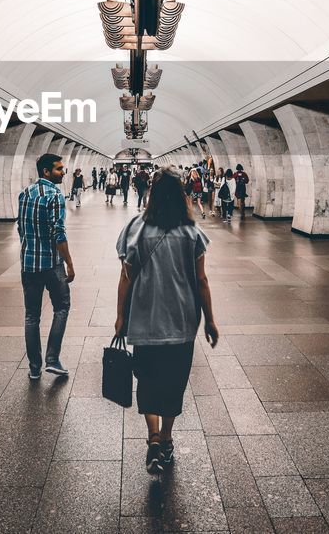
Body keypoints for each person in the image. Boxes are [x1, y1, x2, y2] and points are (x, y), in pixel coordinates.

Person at [114, 170, 220, 474]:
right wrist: (210, 320)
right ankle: (169, 439)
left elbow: (126, 276)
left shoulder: (136, 228)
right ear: (181, 195)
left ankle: (154, 439)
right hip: (182, 322)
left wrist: (121, 315)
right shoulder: (191, 233)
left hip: (146, 321)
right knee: (175, 383)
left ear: (152, 194)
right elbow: (201, 280)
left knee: (147, 381)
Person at [17, 154, 76, 380]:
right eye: (59, 169)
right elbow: (58, 232)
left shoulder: (24, 193)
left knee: (32, 315)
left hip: (28, 264)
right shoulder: (54, 195)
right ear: (46, 172)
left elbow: (20, 227)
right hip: (51, 264)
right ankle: (52, 359)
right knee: (62, 307)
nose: (63, 172)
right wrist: (69, 262)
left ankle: (34, 368)